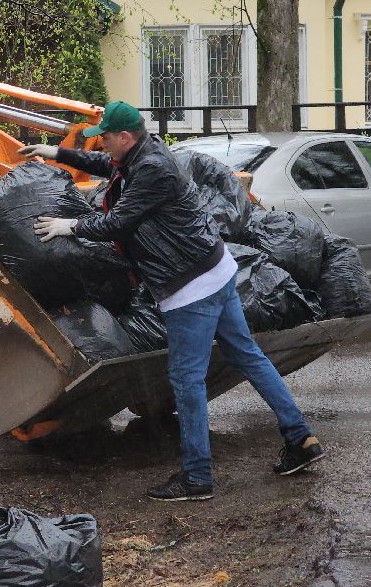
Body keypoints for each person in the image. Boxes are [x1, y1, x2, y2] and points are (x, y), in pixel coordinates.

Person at [18, 100, 324, 502]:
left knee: (186, 381)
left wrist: (68, 225)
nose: (102, 145)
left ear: (125, 137)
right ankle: (301, 439)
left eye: (105, 138)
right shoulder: (145, 153)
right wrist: (55, 152)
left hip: (190, 287)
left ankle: (197, 477)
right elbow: (110, 169)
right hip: (215, 271)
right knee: (247, 355)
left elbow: (116, 222)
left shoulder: (153, 170)